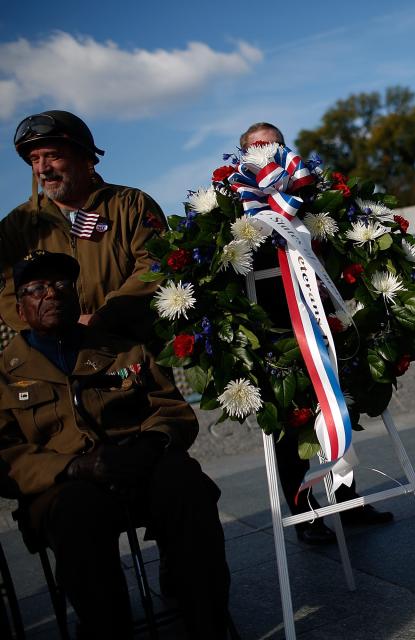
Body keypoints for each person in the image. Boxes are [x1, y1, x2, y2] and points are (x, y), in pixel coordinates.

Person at [0, 251, 230, 638]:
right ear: (21, 309)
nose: (50, 294)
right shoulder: (4, 376)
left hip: (137, 467)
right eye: (36, 288)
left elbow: (171, 408)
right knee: (77, 512)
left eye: (60, 285)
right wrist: (72, 468)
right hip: (64, 486)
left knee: (185, 482)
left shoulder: (124, 351)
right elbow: (5, 454)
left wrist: (150, 445)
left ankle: (207, 623)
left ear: (76, 297)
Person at [238, 123, 393, 545]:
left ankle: (349, 501)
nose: (266, 151)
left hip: (321, 322)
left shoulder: (310, 194)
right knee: (291, 429)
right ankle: (304, 516)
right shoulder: (240, 207)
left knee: (337, 412)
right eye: (256, 146)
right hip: (276, 333)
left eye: (273, 144)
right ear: (243, 156)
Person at [1, 110, 168, 345]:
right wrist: (52, 327)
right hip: (55, 359)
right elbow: (7, 293)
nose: (43, 168)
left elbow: (155, 266)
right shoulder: (17, 224)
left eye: (52, 155)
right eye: (35, 160)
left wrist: (105, 317)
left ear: (84, 157)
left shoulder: (131, 205)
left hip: (128, 351)